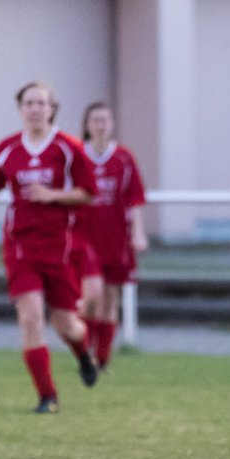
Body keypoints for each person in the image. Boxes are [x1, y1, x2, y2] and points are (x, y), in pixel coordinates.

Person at [0, 81, 99, 413]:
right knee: (29, 317)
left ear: (51, 109)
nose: (35, 108)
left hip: (59, 247)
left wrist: (53, 195)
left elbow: (88, 192)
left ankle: (83, 353)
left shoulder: (68, 148)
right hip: (19, 245)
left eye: (41, 103)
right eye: (29, 103)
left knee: (66, 323)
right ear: (20, 108)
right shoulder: (7, 149)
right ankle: (48, 397)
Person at [77, 101, 149, 371]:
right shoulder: (77, 156)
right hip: (85, 237)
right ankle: (86, 352)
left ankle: (102, 356)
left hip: (117, 237)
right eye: (95, 120)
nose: (100, 125)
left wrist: (138, 233)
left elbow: (135, 198)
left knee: (110, 297)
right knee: (91, 295)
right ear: (86, 124)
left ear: (112, 123)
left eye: (105, 119)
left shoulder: (123, 158)